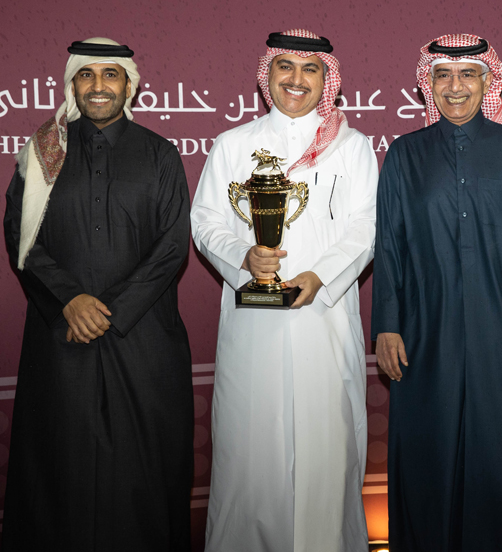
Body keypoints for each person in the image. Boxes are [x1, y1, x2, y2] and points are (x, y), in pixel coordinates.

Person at [372, 33, 502, 552]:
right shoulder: (404, 154)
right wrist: (387, 324)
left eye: (467, 75)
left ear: (487, 81)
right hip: (422, 329)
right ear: (428, 84)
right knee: (427, 449)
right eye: (443, 76)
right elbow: (387, 245)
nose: (455, 87)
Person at [2, 38, 193, 551]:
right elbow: (22, 237)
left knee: (142, 468)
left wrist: (113, 309)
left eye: (111, 75)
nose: (99, 86)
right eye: (87, 76)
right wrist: (70, 299)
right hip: (61, 335)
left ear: (129, 84)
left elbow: (173, 245)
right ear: (72, 85)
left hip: (144, 336)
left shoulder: (160, 154)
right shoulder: (42, 153)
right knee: (60, 462)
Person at [190, 29, 377, 552]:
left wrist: (319, 277)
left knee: (328, 454)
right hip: (254, 324)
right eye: (285, 68)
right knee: (252, 456)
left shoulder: (351, 146)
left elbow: (368, 226)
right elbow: (204, 221)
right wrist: (244, 257)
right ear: (266, 75)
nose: (296, 80)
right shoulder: (234, 144)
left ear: (327, 79)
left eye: (310, 69)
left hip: (325, 321)